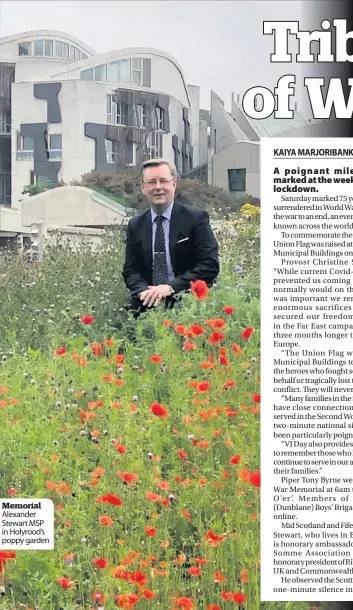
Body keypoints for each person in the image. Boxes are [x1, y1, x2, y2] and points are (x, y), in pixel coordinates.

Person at [122, 158, 219, 318]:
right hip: (148, 302)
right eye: (152, 182)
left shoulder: (195, 219)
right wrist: (143, 291)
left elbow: (210, 265)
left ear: (174, 183)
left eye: (163, 181)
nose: (158, 187)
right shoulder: (136, 225)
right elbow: (130, 270)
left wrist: (170, 287)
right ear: (143, 187)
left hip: (188, 299)